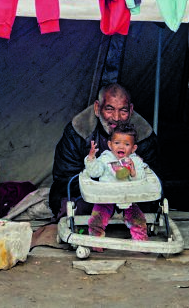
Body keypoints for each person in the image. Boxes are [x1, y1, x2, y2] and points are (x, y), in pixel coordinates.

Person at [49, 83, 158, 219]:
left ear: (130, 110)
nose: (116, 118)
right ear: (97, 108)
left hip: (130, 197)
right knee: (70, 206)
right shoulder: (77, 131)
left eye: (123, 111)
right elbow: (65, 177)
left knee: (146, 208)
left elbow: (151, 176)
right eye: (109, 110)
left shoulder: (144, 134)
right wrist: (104, 188)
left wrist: (127, 185)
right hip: (89, 196)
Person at [84, 123, 149, 247]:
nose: (121, 147)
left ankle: (141, 242)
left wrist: (133, 171)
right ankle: (96, 242)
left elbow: (141, 180)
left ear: (133, 148)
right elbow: (94, 172)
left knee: (138, 220)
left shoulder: (135, 160)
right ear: (110, 145)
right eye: (117, 143)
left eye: (127, 144)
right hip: (106, 196)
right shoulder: (105, 158)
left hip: (128, 197)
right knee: (97, 220)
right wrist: (91, 158)